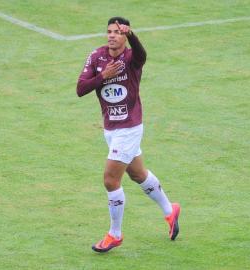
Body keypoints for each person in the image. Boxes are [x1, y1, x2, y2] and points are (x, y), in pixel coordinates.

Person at [76, 17, 181, 253]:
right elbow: (80, 89)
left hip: (130, 128)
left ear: (125, 37)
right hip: (110, 129)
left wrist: (133, 35)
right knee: (138, 174)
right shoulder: (96, 57)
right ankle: (170, 210)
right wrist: (104, 76)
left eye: (118, 32)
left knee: (110, 180)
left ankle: (115, 234)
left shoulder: (132, 59)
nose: (112, 35)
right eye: (109, 31)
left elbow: (143, 55)